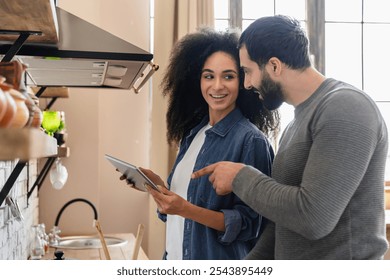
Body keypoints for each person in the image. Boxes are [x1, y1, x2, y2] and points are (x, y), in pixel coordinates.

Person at [192, 15, 389, 260]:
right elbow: (282, 222)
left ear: (274, 66)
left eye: (248, 72)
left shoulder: (346, 107)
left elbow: (313, 217)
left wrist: (239, 177)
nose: (248, 84)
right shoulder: (295, 123)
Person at [133, 27, 279, 260]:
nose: (217, 86)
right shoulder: (194, 134)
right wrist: (161, 189)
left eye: (228, 76)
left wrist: (185, 209)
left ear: (243, 81)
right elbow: (178, 211)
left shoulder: (251, 141)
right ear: (197, 80)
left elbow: (252, 225)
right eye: (209, 76)